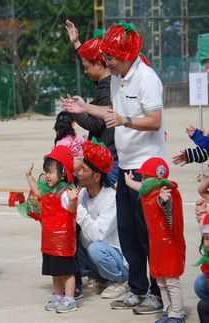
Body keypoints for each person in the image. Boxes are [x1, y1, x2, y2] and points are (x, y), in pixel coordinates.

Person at [63, 22, 165, 314]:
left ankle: (156, 293)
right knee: (128, 233)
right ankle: (136, 289)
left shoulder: (146, 78)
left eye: (110, 57)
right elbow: (110, 112)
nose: (106, 61)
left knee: (148, 235)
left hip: (147, 168)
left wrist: (126, 121)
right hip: (126, 167)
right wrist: (85, 108)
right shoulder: (119, 78)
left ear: (126, 55)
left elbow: (154, 120)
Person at [125, 158, 186, 322]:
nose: (142, 181)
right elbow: (141, 188)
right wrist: (128, 181)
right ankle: (168, 310)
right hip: (157, 245)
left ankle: (178, 313)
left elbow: (166, 205)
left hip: (170, 245)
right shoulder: (149, 191)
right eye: (142, 177)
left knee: (171, 280)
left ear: (158, 178)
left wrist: (164, 200)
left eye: (146, 177)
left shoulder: (166, 191)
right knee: (160, 281)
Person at [25, 145, 80, 314]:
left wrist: (72, 201)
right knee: (55, 272)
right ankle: (58, 295)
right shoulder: (48, 191)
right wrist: (29, 177)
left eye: (51, 172)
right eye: (46, 171)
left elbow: (71, 211)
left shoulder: (65, 192)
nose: (47, 176)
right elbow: (36, 191)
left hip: (63, 241)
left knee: (67, 272)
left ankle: (70, 299)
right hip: (49, 240)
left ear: (63, 172)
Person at [64, 20, 118, 186]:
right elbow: (90, 59)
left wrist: (73, 110)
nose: (85, 70)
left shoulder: (107, 88)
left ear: (100, 65)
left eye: (87, 67)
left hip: (108, 161)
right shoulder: (105, 82)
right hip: (104, 158)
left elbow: (95, 124)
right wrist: (76, 43)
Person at [75, 139, 128, 299]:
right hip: (97, 254)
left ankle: (117, 281)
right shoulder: (84, 193)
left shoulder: (110, 198)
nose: (78, 173)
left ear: (96, 176)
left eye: (83, 170)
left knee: (96, 248)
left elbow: (99, 236)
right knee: (68, 238)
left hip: (115, 258)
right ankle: (97, 277)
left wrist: (76, 208)